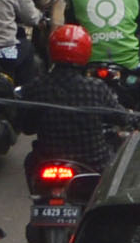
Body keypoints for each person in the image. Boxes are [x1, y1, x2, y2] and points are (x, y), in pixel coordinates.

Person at [9, 23, 131, 177]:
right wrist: (131, 117)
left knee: (30, 161)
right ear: (86, 52)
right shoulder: (95, 87)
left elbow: (27, 127)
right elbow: (121, 117)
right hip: (93, 165)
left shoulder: (37, 86)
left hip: (47, 162)